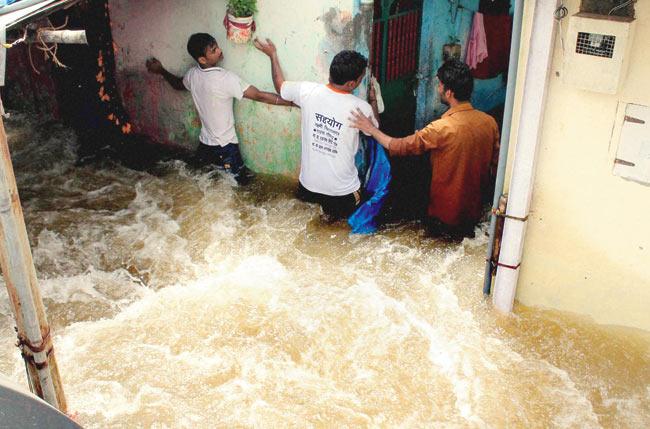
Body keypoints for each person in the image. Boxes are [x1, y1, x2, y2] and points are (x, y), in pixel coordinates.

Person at [350, 59, 500, 239]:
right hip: (473, 213)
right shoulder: (489, 122)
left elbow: (397, 146)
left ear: (449, 92)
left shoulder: (441, 128)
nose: (438, 89)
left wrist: (371, 128)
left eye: (440, 85)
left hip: (444, 216)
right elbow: (495, 166)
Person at [254, 38, 379, 219]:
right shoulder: (361, 108)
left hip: (308, 189)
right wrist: (374, 99)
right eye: (361, 78)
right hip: (342, 195)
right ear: (352, 84)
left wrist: (272, 55)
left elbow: (280, 86)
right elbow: (374, 129)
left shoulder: (307, 92)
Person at [145, 33, 292, 183]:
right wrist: (292, 102)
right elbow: (259, 95)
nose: (220, 50)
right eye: (214, 50)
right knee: (242, 187)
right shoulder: (225, 79)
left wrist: (161, 70)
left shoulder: (192, 75)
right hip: (225, 147)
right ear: (202, 59)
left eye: (217, 47)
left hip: (205, 145)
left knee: (201, 181)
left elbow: (178, 84)